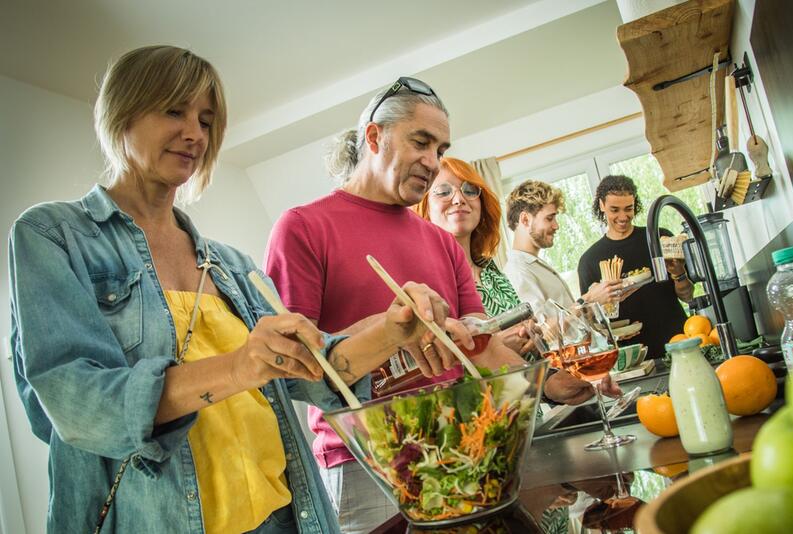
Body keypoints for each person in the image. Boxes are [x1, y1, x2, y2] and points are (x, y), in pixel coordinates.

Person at [7, 46, 445, 534]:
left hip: (283, 516)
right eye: (174, 110)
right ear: (121, 112)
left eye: (207, 120)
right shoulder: (53, 235)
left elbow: (310, 373)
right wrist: (240, 365)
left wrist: (391, 330)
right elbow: (77, 403)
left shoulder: (231, 265)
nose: (194, 133)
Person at [264, 77, 602, 532]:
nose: (432, 162)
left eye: (440, 149)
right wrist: (388, 329)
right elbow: (293, 369)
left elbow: (480, 347)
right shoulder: (303, 227)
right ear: (374, 137)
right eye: (420, 142)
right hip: (367, 460)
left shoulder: (440, 243)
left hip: (464, 440)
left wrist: (550, 385)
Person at [413, 157, 532, 356]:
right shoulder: (424, 282)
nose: (459, 199)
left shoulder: (491, 270)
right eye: (443, 191)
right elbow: (431, 363)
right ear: (424, 208)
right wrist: (495, 348)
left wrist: (532, 332)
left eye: (469, 190)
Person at [577, 175, 694, 358]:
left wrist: (678, 274)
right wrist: (608, 333)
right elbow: (590, 320)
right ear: (602, 205)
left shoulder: (659, 238)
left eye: (628, 209)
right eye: (614, 210)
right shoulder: (590, 260)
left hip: (678, 342)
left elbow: (688, 296)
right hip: (634, 355)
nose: (623, 217)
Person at [503, 180, 622, 313]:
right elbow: (544, 330)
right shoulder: (517, 272)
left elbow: (567, 325)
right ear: (525, 220)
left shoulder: (534, 265)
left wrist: (600, 297)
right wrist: (590, 299)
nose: (556, 225)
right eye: (549, 218)